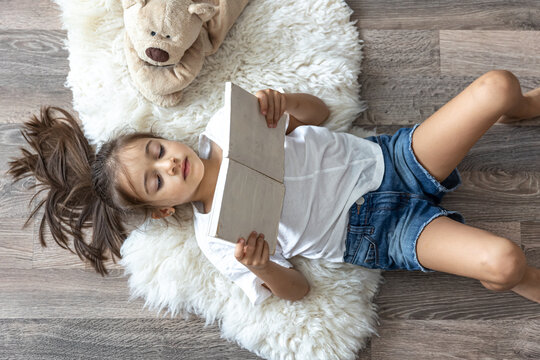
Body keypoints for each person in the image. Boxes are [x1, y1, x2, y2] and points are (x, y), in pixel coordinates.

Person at [9, 70, 540, 305]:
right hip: (379, 231)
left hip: (389, 160)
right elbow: (299, 292)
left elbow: (324, 114)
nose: (170, 164)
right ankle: (496, 278)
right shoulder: (216, 240)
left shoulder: (226, 124)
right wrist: (262, 265)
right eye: (156, 180)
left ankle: (520, 111)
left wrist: (285, 104)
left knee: (497, 86)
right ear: (162, 211)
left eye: (158, 150)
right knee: (505, 264)